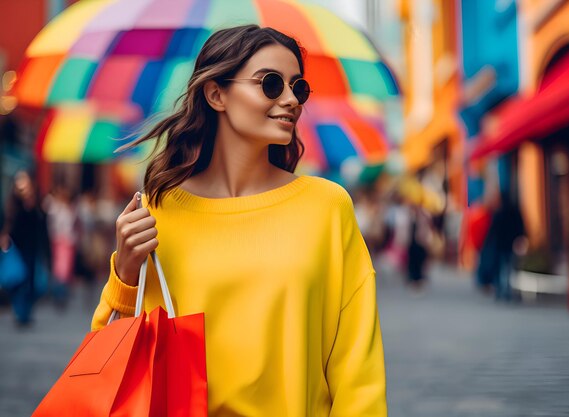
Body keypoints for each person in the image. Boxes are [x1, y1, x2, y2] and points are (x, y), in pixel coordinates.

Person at [91, 25, 387, 416]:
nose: (290, 101)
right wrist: (126, 273)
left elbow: (357, 368)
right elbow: (113, 358)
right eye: (270, 84)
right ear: (216, 94)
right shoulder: (159, 211)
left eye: (298, 88)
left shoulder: (327, 207)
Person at [0, 170, 51, 326]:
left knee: (34, 283)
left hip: (33, 249)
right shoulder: (13, 205)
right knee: (19, 282)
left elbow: (42, 227)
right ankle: (21, 313)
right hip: (17, 249)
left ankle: (25, 311)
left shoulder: (37, 204)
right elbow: (9, 227)